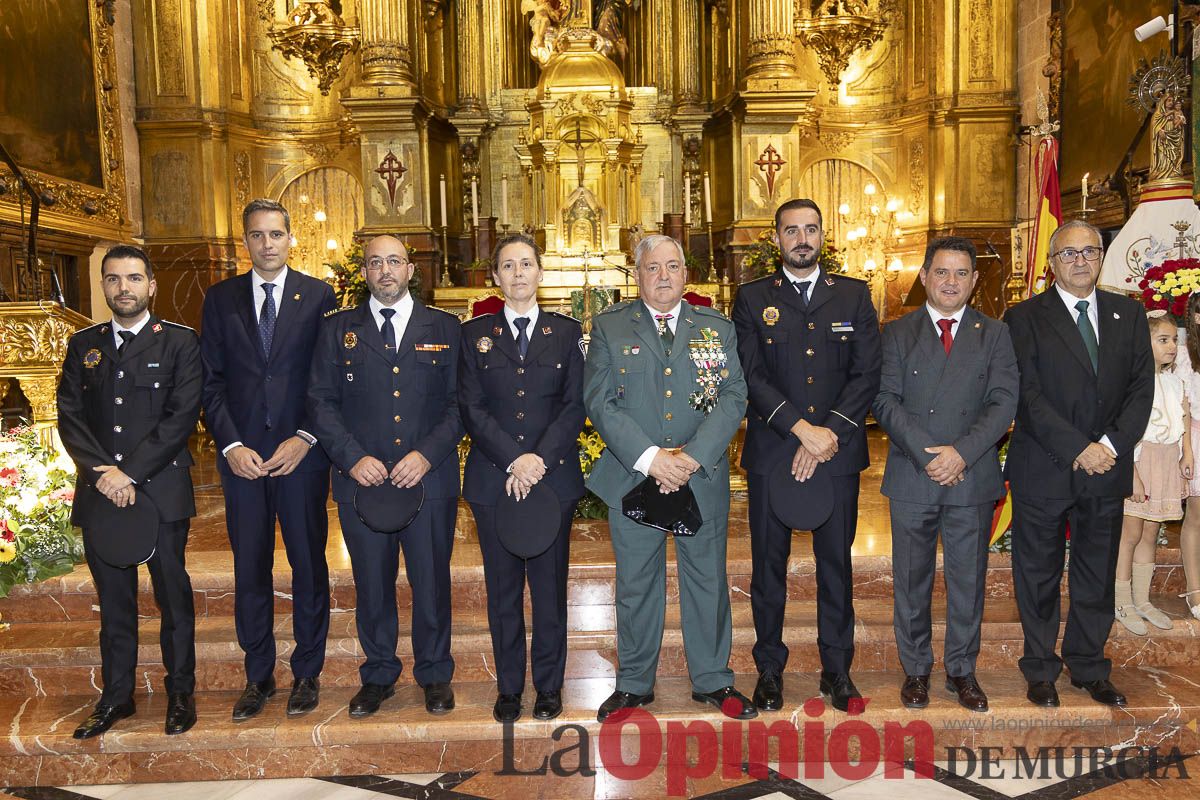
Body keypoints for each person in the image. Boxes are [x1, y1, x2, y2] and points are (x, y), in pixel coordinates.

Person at [584, 234, 754, 722]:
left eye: (673, 266)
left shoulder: (713, 328)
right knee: (637, 584)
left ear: (685, 274)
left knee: (707, 580)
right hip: (634, 476)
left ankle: (714, 680)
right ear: (637, 275)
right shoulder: (611, 327)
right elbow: (599, 401)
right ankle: (635, 683)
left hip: (700, 477)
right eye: (653, 267)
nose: (663, 276)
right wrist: (651, 457)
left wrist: (692, 457)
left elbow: (734, 396)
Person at [732, 198, 881, 713]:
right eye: (791, 230)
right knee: (767, 570)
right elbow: (751, 376)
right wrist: (801, 431)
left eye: (811, 229)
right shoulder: (752, 298)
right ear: (776, 239)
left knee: (836, 567)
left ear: (823, 236)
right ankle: (769, 671)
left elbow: (867, 374)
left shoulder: (854, 296)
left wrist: (828, 435)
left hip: (837, 455)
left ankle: (837, 672)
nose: (801, 239)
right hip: (775, 453)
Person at [307, 234, 463, 717]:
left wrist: (428, 454)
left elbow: (461, 405)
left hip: (428, 481)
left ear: (410, 269)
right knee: (372, 582)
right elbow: (320, 401)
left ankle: (435, 672)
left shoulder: (446, 326)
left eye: (394, 261)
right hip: (363, 483)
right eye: (375, 263)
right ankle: (378, 674)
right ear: (365, 272)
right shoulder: (337, 330)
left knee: (431, 581)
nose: (385, 271)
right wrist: (351, 457)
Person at [1003, 219, 1153, 708]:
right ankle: (1041, 669)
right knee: (1039, 574)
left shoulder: (1128, 315)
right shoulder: (1022, 317)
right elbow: (1027, 395)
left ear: (1102, 256)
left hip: (1106, 469)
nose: (1081, 261)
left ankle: (1089, 666)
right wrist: (1078, 448)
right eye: (1069, 254)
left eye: (1089, 251)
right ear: (1052, 263)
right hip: (1044, 468)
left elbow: (1140, 389)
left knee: (1095, 572)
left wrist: (1108, 445)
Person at [57, 245, 202, 738]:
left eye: (134, 278)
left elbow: (181, 417)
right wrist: (103, 474)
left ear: (151, 286)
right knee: (114, 602)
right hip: (101, 495)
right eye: (114, 279)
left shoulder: (180, 342)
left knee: (173, 598)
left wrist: (129, 474)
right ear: (103, 286)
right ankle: (116, 697)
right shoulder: (84, 345)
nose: (125, 288)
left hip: (160, 491)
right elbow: (70, 418)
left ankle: (180, 693)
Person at [200, 199, 337, 721]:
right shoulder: (220, 299)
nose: (267, 243)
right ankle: (258, 675)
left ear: (290, 239)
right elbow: (211, 384)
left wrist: (305, 437)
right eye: (257, 235)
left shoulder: (319, 297)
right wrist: (231, 446)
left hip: (301, 457)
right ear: (246, 241)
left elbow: (325, 381)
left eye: (276, 234)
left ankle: (307, 673)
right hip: (243, 462)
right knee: (250, 567)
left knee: (308, 565)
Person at [872, 236, 1018, 712]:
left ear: (974, 281)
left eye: (961, 273)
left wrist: (961, 454)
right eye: (941, 272)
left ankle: (961, 670)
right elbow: (884, 400)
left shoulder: (994, 333)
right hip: (914, 475)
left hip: (970, 476)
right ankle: (916, 669)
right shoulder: (896, 333)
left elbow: (1003, 403)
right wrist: (929, 454)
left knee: (967, 579)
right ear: (924, 276)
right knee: (911, 580)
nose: (950, 282)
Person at [458, 234, 585, 723]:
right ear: (495, 276)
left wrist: (539, 461)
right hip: (495, 481)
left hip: (552, 481)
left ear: (540, 271)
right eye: (508, 266)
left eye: (526, 264)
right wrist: (515, 460)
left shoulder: (567, 332)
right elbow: (471, 407)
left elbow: (574, 406)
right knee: (503, 591)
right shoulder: (474, 335)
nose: (517, 274)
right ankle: (510, 688)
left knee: (550, 591)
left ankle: (549, 687)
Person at [1114, 311, 1191, 635]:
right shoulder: (1133, 383)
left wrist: (1187, 453)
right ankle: (1120, 601)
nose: (1172, 346)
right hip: (1141, 462)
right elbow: (1127, 431)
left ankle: (1141, 599)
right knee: (1129, 534)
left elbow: (1184, 419)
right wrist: (1132, 472)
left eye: (1174, 339)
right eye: (1163, 340)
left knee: (1151, 534)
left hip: (1166, 460)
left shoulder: (1175, 380)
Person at [1179, 293, 1200, 621]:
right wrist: (1186, 449)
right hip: (1197, 437)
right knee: (1196, 516)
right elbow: (1182, 405)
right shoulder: (1185, 354)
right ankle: (1196, 591)